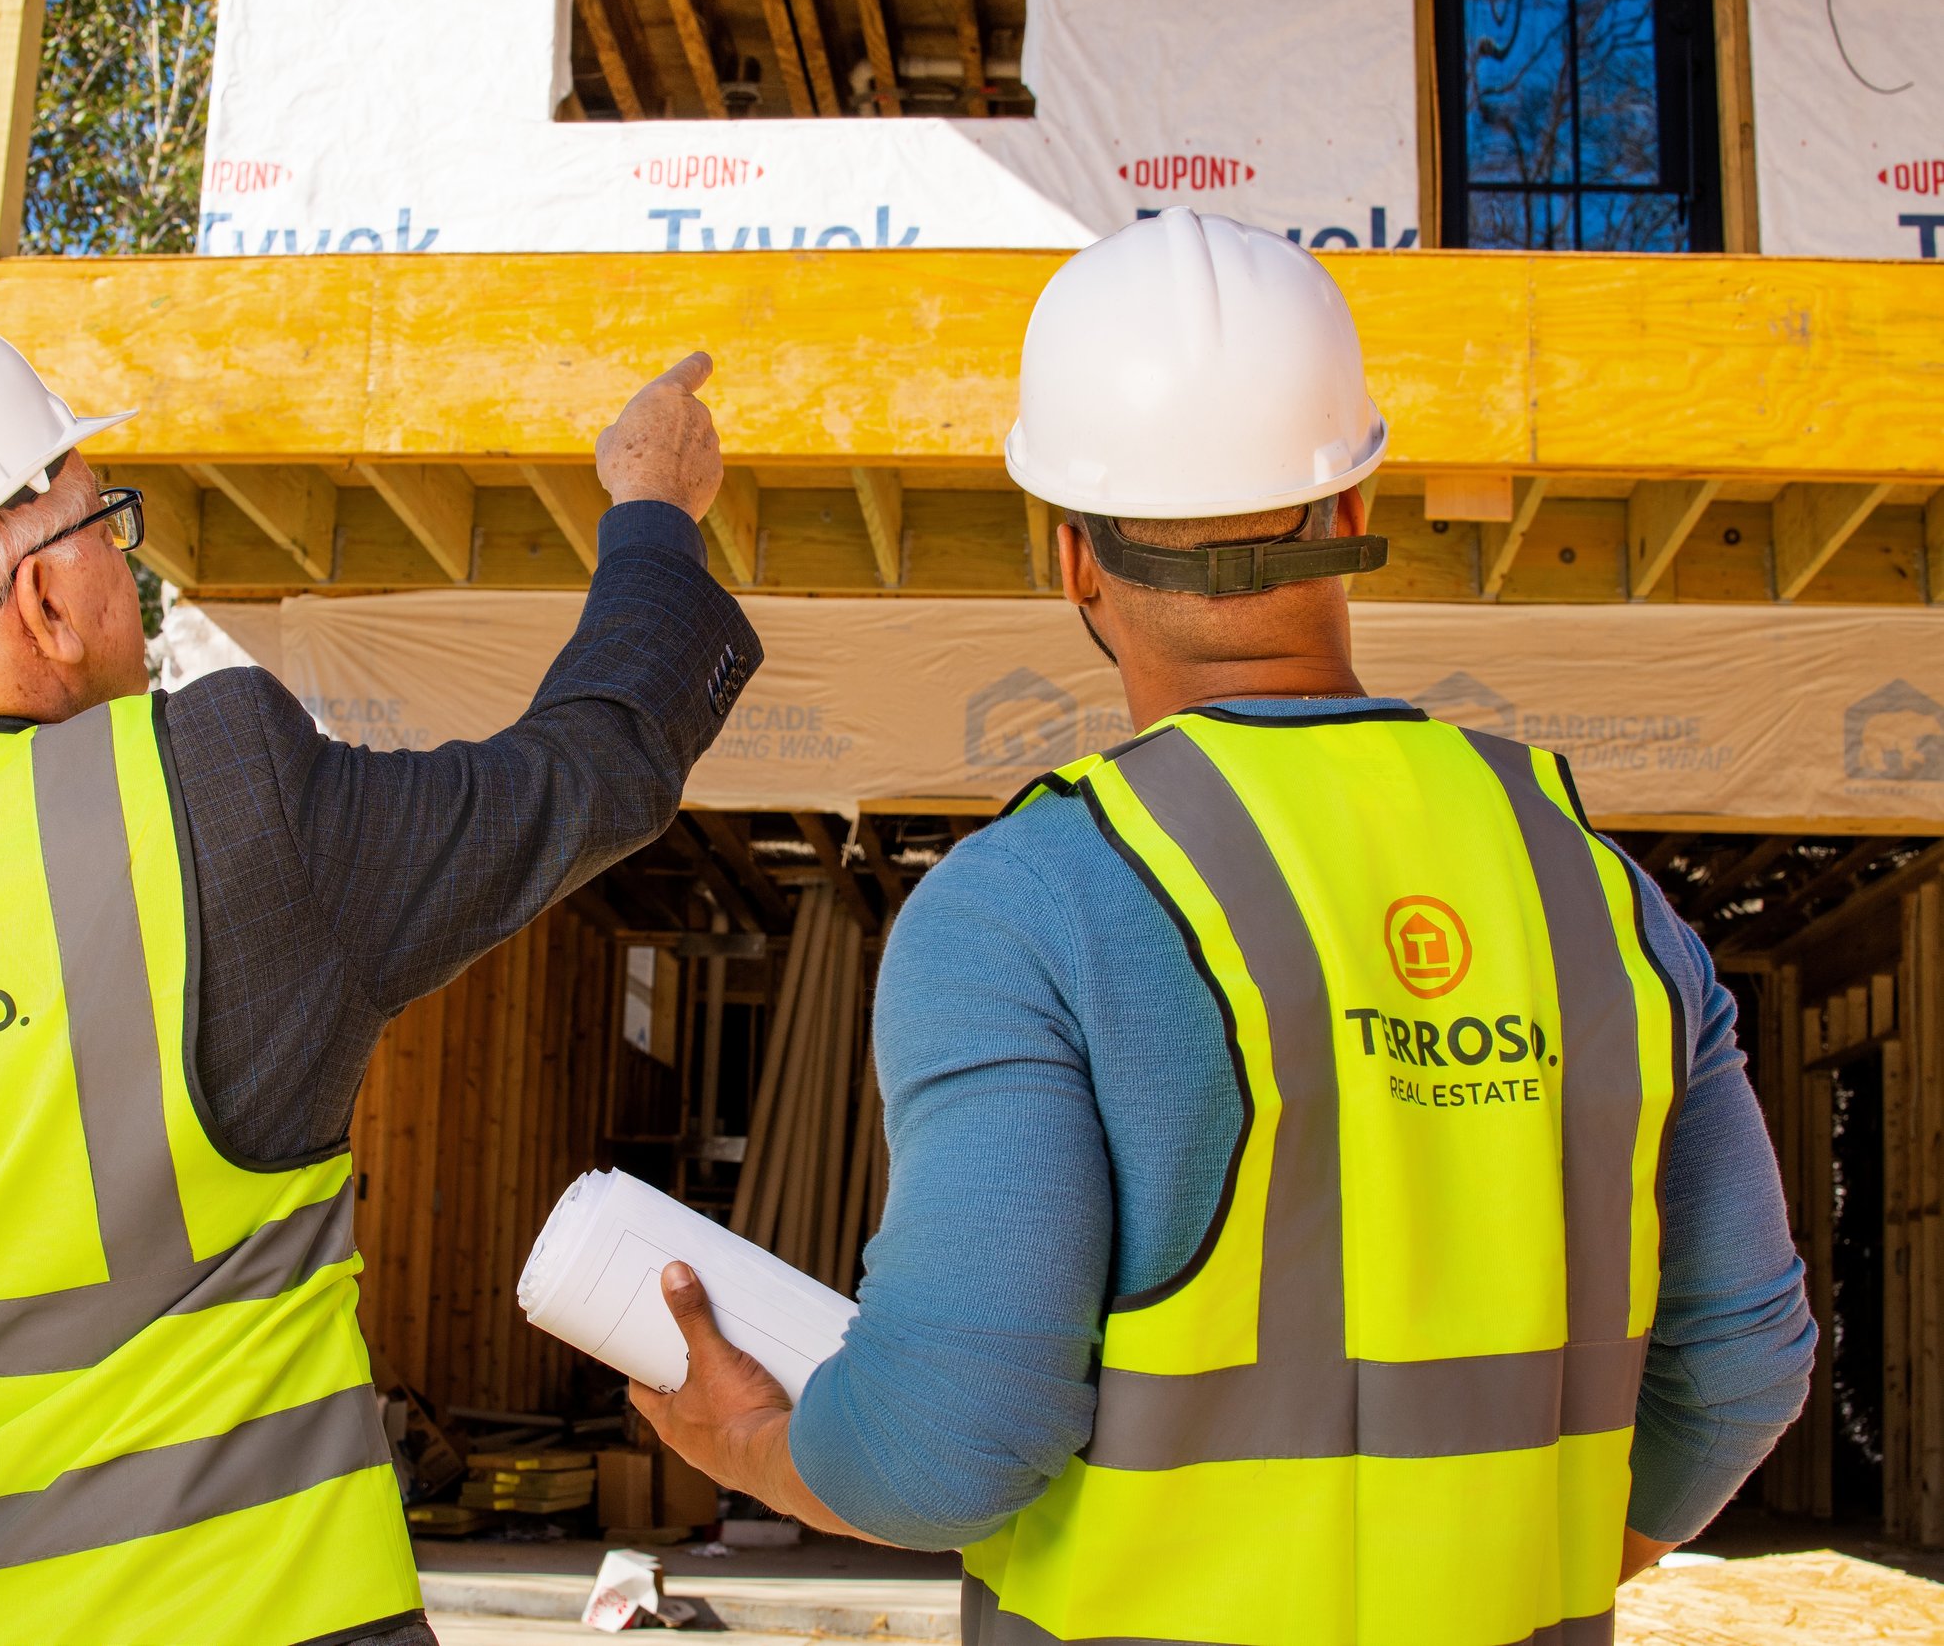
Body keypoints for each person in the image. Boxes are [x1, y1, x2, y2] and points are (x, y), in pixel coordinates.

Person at [631, 209, 1815, 1645]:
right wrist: (1554, 1567)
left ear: (1070, 557)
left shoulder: (1030, 905)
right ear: (1358, 513)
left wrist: (748, 1443)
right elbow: (1743, 1364)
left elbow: (951, 1443)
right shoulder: (1602, 898)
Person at [0, 297, 759, 1646]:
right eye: (102, 523)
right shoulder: (215, 812)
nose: (125, 565)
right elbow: (592, 770)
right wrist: (654, 509)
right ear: (48, 598)